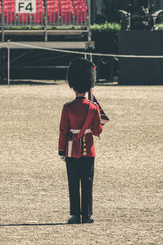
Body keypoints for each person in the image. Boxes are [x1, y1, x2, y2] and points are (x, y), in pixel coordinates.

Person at [58, 57, 103, 224]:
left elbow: (63, 131)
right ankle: (87, 214)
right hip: (88, 149)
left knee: (73, 182)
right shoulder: (93, 107)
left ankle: (75, 214)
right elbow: (98, 130)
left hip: (70, 148)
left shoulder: (67, 107)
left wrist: (61, 151)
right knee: (87, 182)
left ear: (73, 86)